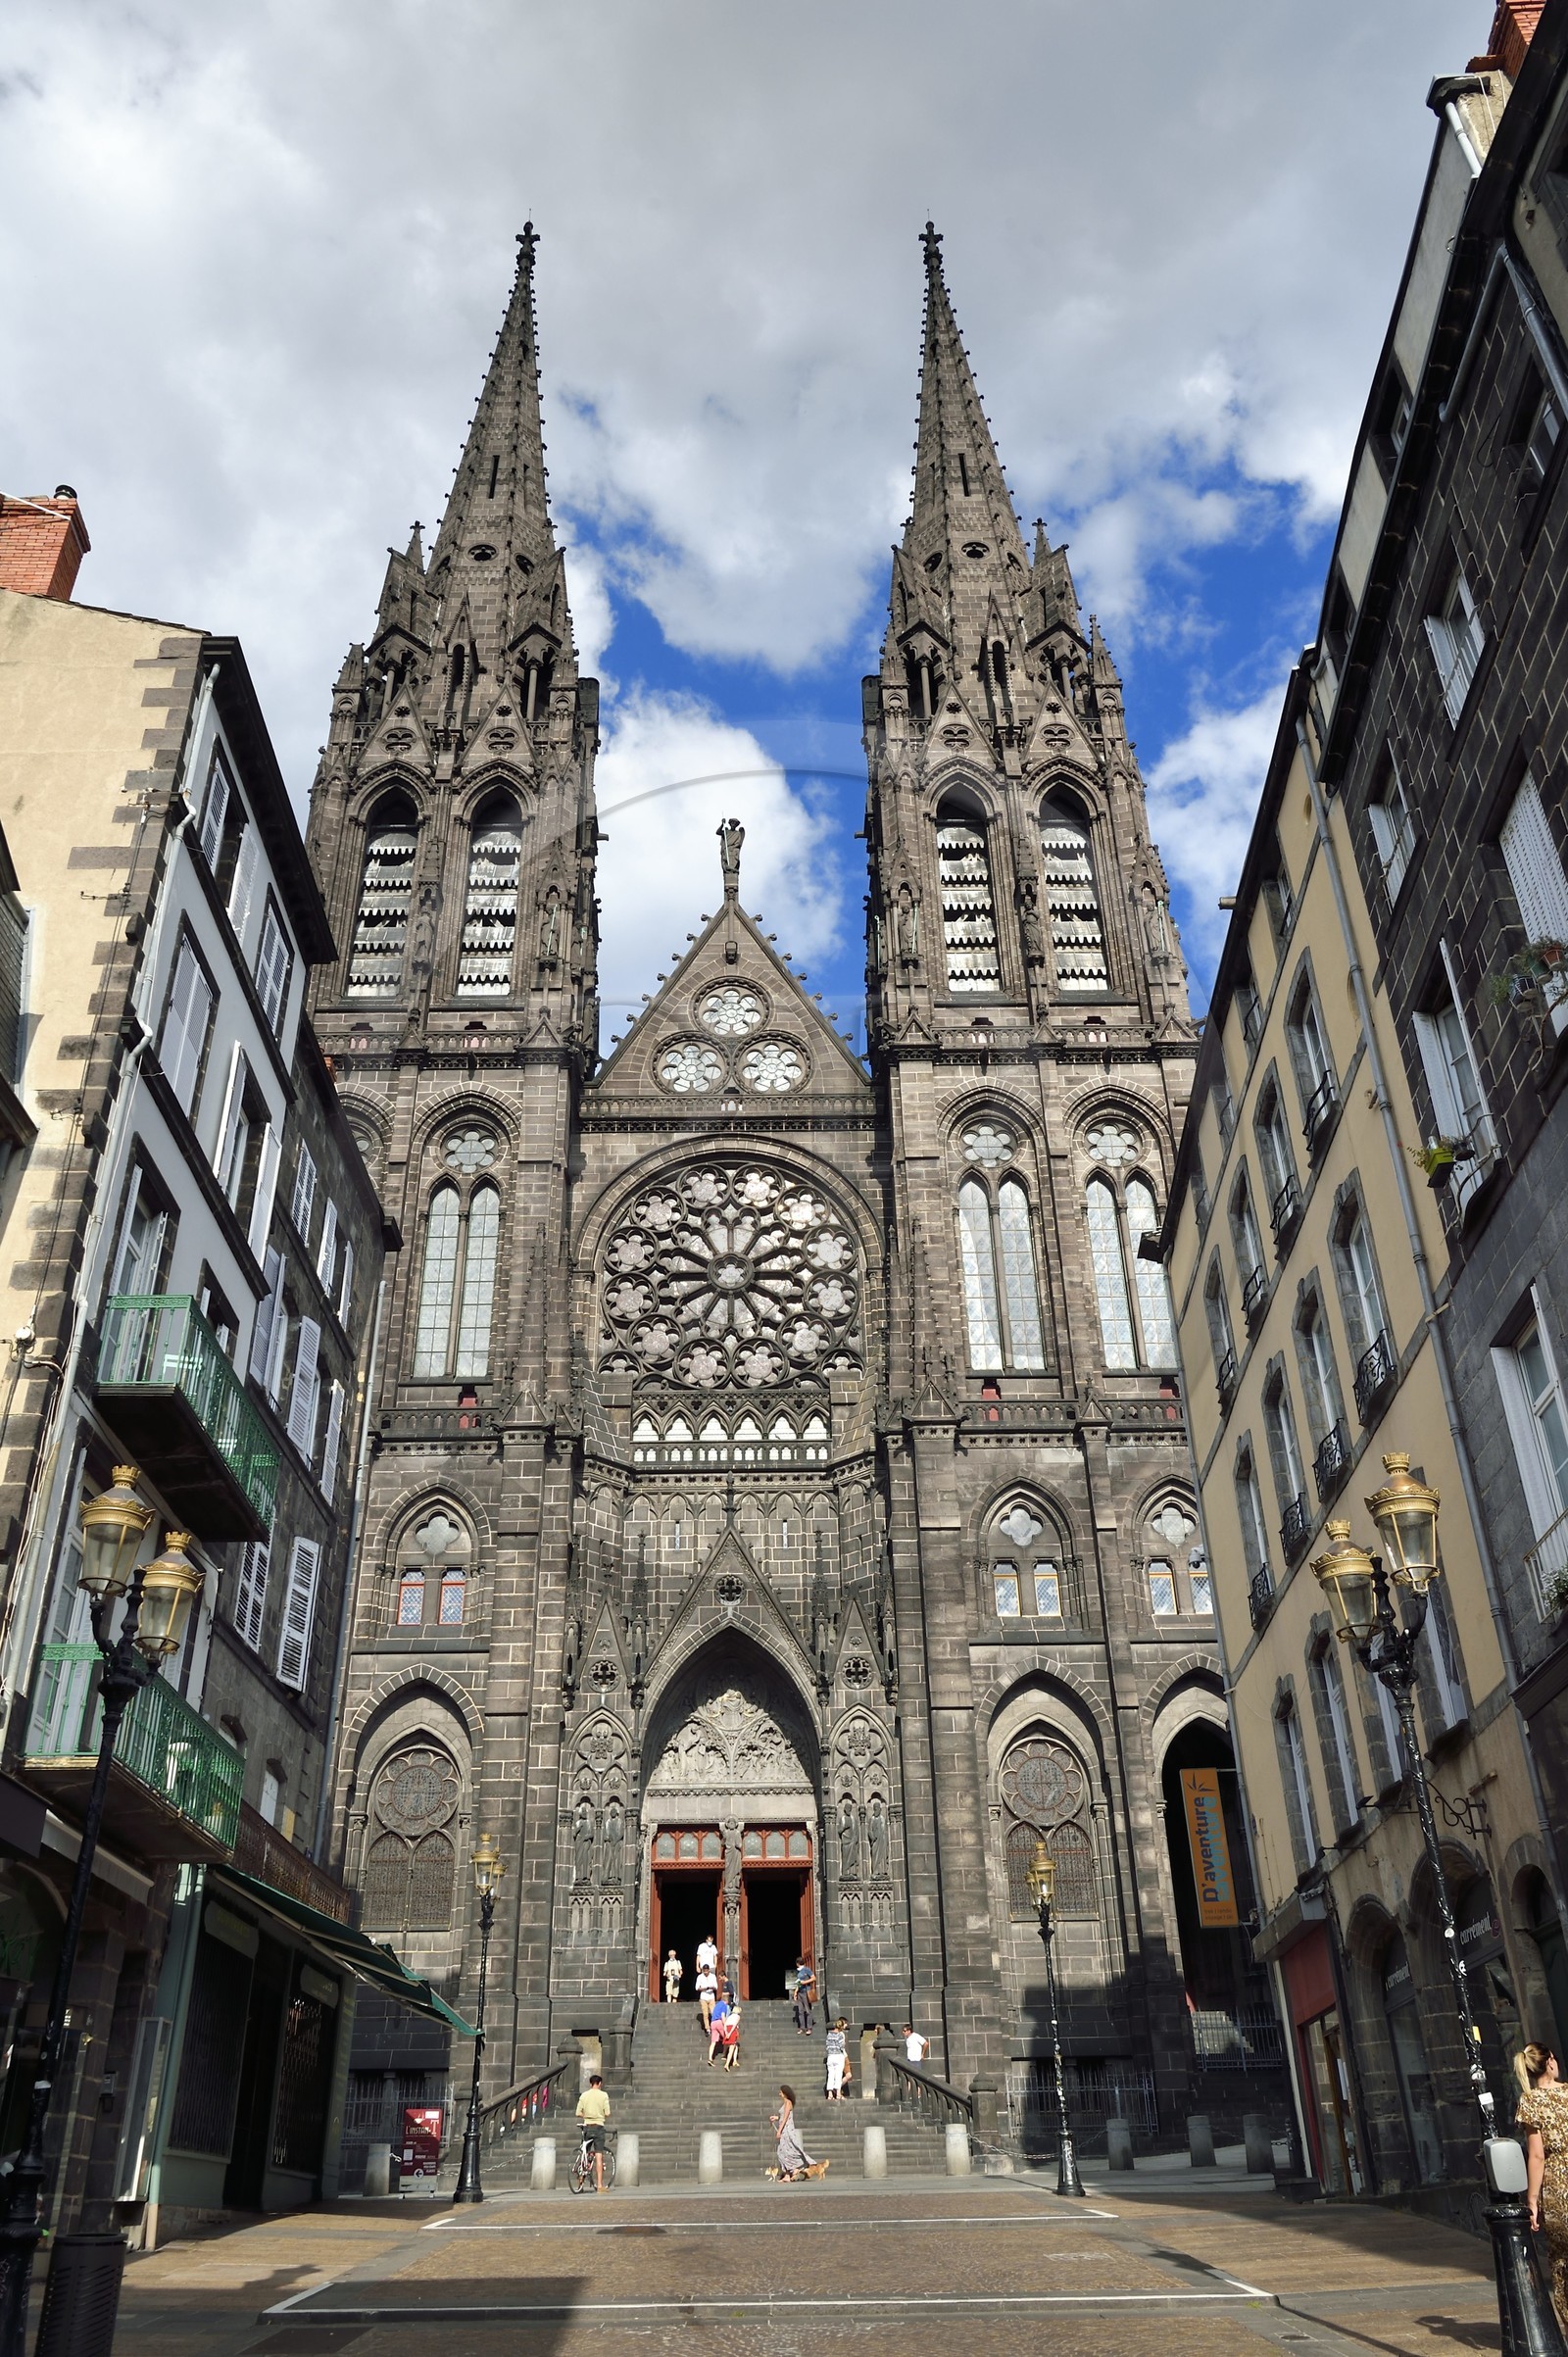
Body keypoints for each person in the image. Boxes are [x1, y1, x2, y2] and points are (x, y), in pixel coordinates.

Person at [1518, 2043, 1568, 2326]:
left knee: (1562, 2262)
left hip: (1558, 2188)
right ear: (1550, 2061)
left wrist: (1532, 2201)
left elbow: (1537, 2155)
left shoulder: (1531, 2101)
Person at [770, 2085, 828, 2182]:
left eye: (780, 2092)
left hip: (787, 2131)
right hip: (785, 2130)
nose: (779, 2093)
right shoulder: (785, 2103)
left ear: (784, 2093)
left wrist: (779, 2130)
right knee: (784, 2152)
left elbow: (785, 2119)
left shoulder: (788, 2103)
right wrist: (776, 2118)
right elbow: (784, 2117)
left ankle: (801, 2167)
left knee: (787, 2152)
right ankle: (789, 2175)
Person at [575, 2070, 612, 2194]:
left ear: (590, 2083)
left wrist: (587, 2115)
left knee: (584, 2153)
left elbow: (578, 2112)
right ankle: (600, 2185)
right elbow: (607, 2113)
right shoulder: (604, 2095)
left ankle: (580, 2183)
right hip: (598, 2127)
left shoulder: (584, 2095)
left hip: (586, 2126)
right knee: (599, 2156)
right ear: (599, 2083)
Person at [825, 2018, 851, 2100]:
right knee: (838, 2075)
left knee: (831, 2075)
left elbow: (827, 2046)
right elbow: (841, 2046)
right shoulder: (840, 2035)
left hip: (830, 2056)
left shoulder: (829, 2035)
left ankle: (830, 2094)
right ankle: (838, 2094)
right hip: (838, 2056)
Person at [718, 1992, 743, 2070]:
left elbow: (725, 2025)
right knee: (732, 2048)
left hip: (727, 2029)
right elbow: (735, 2025)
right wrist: (730, 2033)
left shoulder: (729, 2016)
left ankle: (731, 2059)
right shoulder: (737, 2016)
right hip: (732, 2030)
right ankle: (727, 2064)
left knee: (732, 2046)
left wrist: (726, 2032)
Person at [793, 1955, 815, 2035]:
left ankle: (809, 2028)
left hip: (806, 1992)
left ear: (798, 1963)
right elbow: (799, 1982)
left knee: (808, 2010)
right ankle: (802, 2028)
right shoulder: (799, 1971)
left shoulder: (807, 1969)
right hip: (800, 1992)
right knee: (800, 2011)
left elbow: (813, 1978)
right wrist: (795, 1992)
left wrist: (805, 1982)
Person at [708, 1989, 730, 2067]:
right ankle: (724, 2055)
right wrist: (725, 2026)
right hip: (719, 2022)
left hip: (713, 2022)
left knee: (713, 2042)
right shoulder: (724, 2006)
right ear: (727, 2001)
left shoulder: (717, 2005)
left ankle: (710, 2058)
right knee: (727, 2038)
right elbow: (723, 2016)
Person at [696, 1957, 718, 2034]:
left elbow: (716, 1987)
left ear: (709, 1970)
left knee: (713, 2013)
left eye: (706, 1971)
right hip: (703, 1997)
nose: (705, 1972)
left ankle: (714, 2027)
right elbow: (697, 1988)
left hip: (711, 1996)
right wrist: (704, 1988)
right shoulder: (700, 1977)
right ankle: (707, 2029)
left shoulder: (713, 1976)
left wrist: (711, 1987)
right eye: (704, 1971)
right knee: (705, 2014)